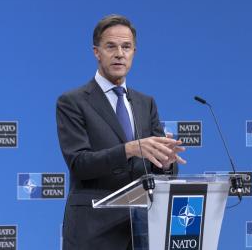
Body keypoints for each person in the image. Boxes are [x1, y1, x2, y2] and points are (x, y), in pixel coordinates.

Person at [56, 14, 187, 250]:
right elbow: (79, 163)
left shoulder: (145, 103)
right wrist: (129, 149)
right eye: (111, 46)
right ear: (97, 52)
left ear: (134, 52)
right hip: (93, 231)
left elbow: (159, 170)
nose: (119, 53)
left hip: (141, 230)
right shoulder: (72, 102)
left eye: (126, 47)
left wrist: (165, 163)